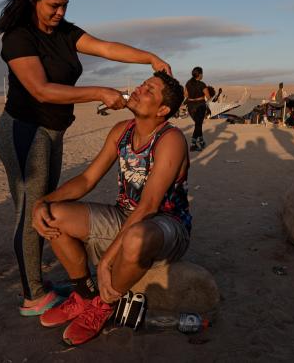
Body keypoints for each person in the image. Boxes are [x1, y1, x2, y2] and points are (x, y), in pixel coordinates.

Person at [0, 0, 172, 316]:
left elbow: (104, 47)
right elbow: (41, 90)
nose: (60, 12)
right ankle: (33, 296)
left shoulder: (64, 31)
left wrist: (148, 57)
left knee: (44, 203)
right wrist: (98, 93)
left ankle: (39, 285)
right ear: (33, 0)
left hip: (53, 133)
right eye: (53, 6)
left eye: (64, 6)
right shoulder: (18, 37)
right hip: (25, 131)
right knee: (31, 211)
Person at [31, 71, 190, 345]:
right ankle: (86, 294)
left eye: (150, 90)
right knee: (53, 215)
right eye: (143, 84)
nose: (140, 89)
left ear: (163, 110)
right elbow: (87, 179)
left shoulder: (170, 139)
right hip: (125, 216)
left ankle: (105, 304)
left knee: (136, 237)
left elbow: (150, 205)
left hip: (164, 227)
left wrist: (105, 262)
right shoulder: (122, 131)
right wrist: (43, 201)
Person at [184, 66, 210, 151]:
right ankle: (193, 144)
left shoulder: (188, 83)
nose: (202, 75)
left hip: (190, 106)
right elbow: (208, 96)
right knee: (198, 124)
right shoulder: (202, 84)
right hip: (200, 106)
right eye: (202, 73)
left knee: (198, 124)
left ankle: (201, 141)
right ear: (199, 75)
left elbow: (186, 95)